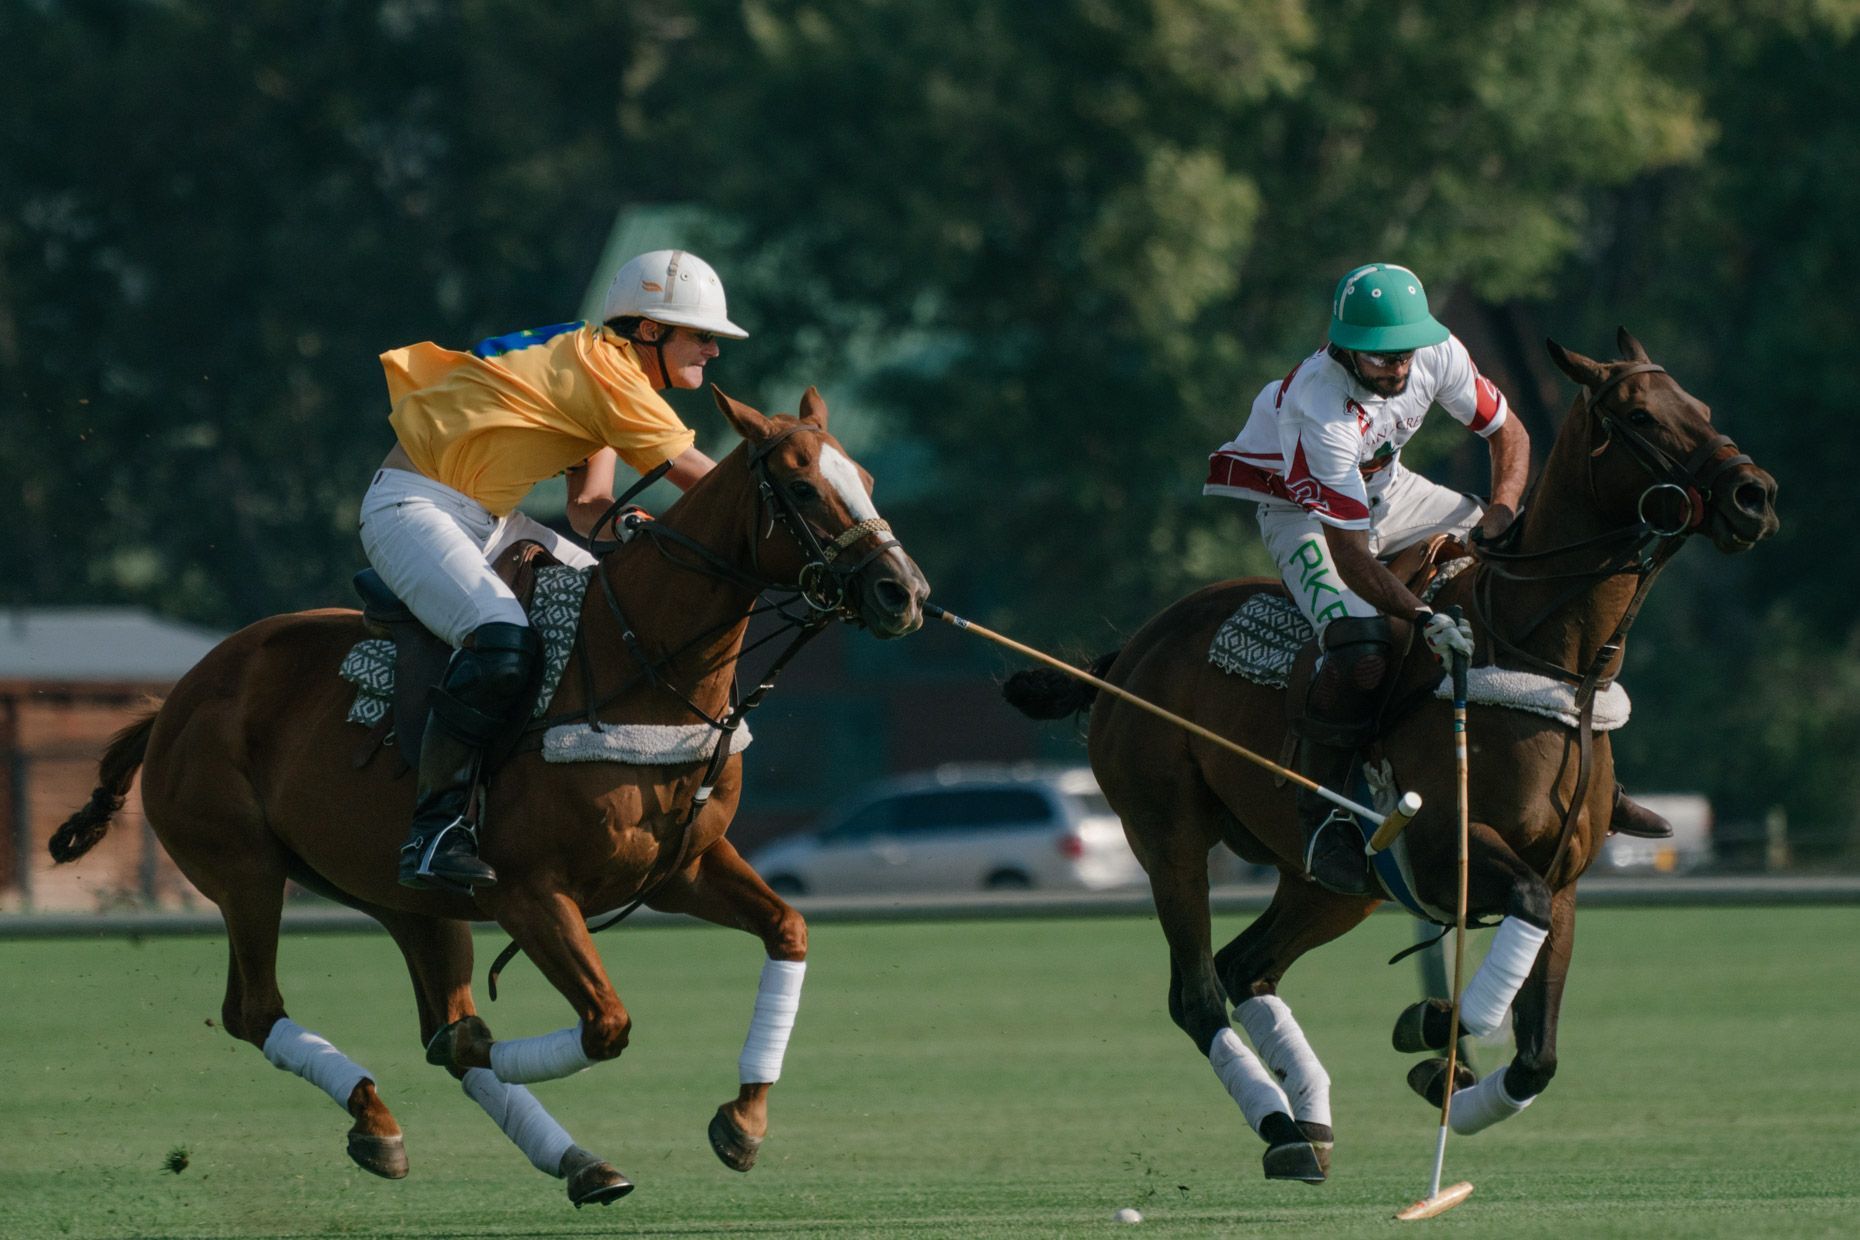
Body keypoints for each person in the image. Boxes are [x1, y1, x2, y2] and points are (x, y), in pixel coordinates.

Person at [1204, 262, 1667, 896]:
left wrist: (1502, 516)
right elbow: (1352, 556)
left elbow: (1510, 432)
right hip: (1306, 518)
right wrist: (1425, 619)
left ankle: (1601, 786)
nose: (1397, 367)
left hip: (1391, 493)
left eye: (1404, 353)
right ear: (1343, 347)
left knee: (1530, 569)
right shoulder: (1320, 410)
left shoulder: (1437, 351)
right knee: (1361, 647)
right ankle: (1323, 814)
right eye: (1380, 358)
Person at [359, 249, 748, 891]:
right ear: (649, 330)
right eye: (702, 335)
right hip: (412, 505)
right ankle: (434, 834)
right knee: (501, 641)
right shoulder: (607, 375)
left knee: (610, 605)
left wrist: (627, 525)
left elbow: (590, 506)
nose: (712, 350)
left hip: (486, 518)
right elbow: (715, 493)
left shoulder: (599, 366)